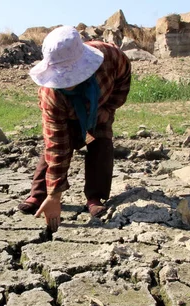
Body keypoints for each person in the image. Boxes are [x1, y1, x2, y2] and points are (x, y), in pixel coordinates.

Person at [18, 26, 131, 232]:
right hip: (66, 117)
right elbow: (57, 146)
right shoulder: (51, 96)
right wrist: (55, 196)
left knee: (101, 145)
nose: (67, 83)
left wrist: (109, 106)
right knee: (53, 151)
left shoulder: (110, 57)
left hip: (99, 108)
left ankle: (95, 197)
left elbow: (124, 78)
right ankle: (39, 194)